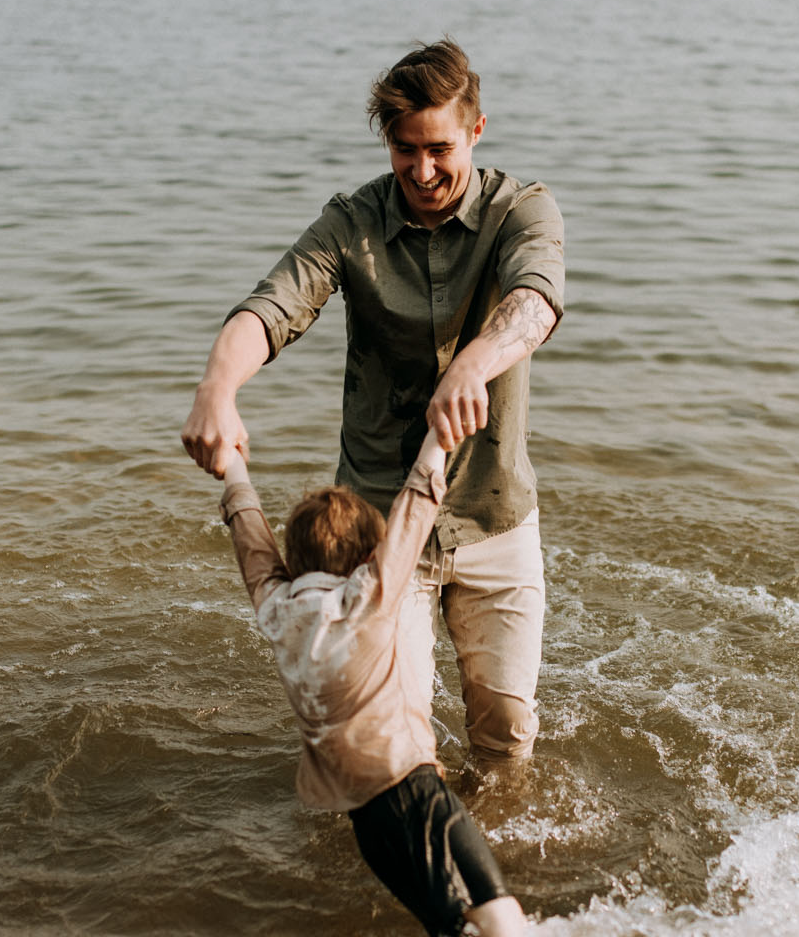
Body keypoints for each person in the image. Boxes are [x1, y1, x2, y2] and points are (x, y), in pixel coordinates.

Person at [182, 39, 562, 770]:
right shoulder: (351, 223)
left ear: (476, 131)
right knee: (391, 736)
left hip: (494, 514)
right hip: (381, 528)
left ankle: (501, 861)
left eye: (440, 150)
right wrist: (216, 388)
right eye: (403, 150)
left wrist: (473, 366)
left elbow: (535, 303)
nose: (422, 171)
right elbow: (271, 308)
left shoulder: (524, 210)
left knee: (507, 734)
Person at [214, 426, 588, 937]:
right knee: (497, 907)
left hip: (364, 819)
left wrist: (233, 474)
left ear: (296, 566)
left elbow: (251, 543)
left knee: (451, 930)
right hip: (415, 789)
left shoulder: (275, 610)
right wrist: (440, 440)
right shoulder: (371, 596)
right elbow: (417, 507)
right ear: (366, 557)